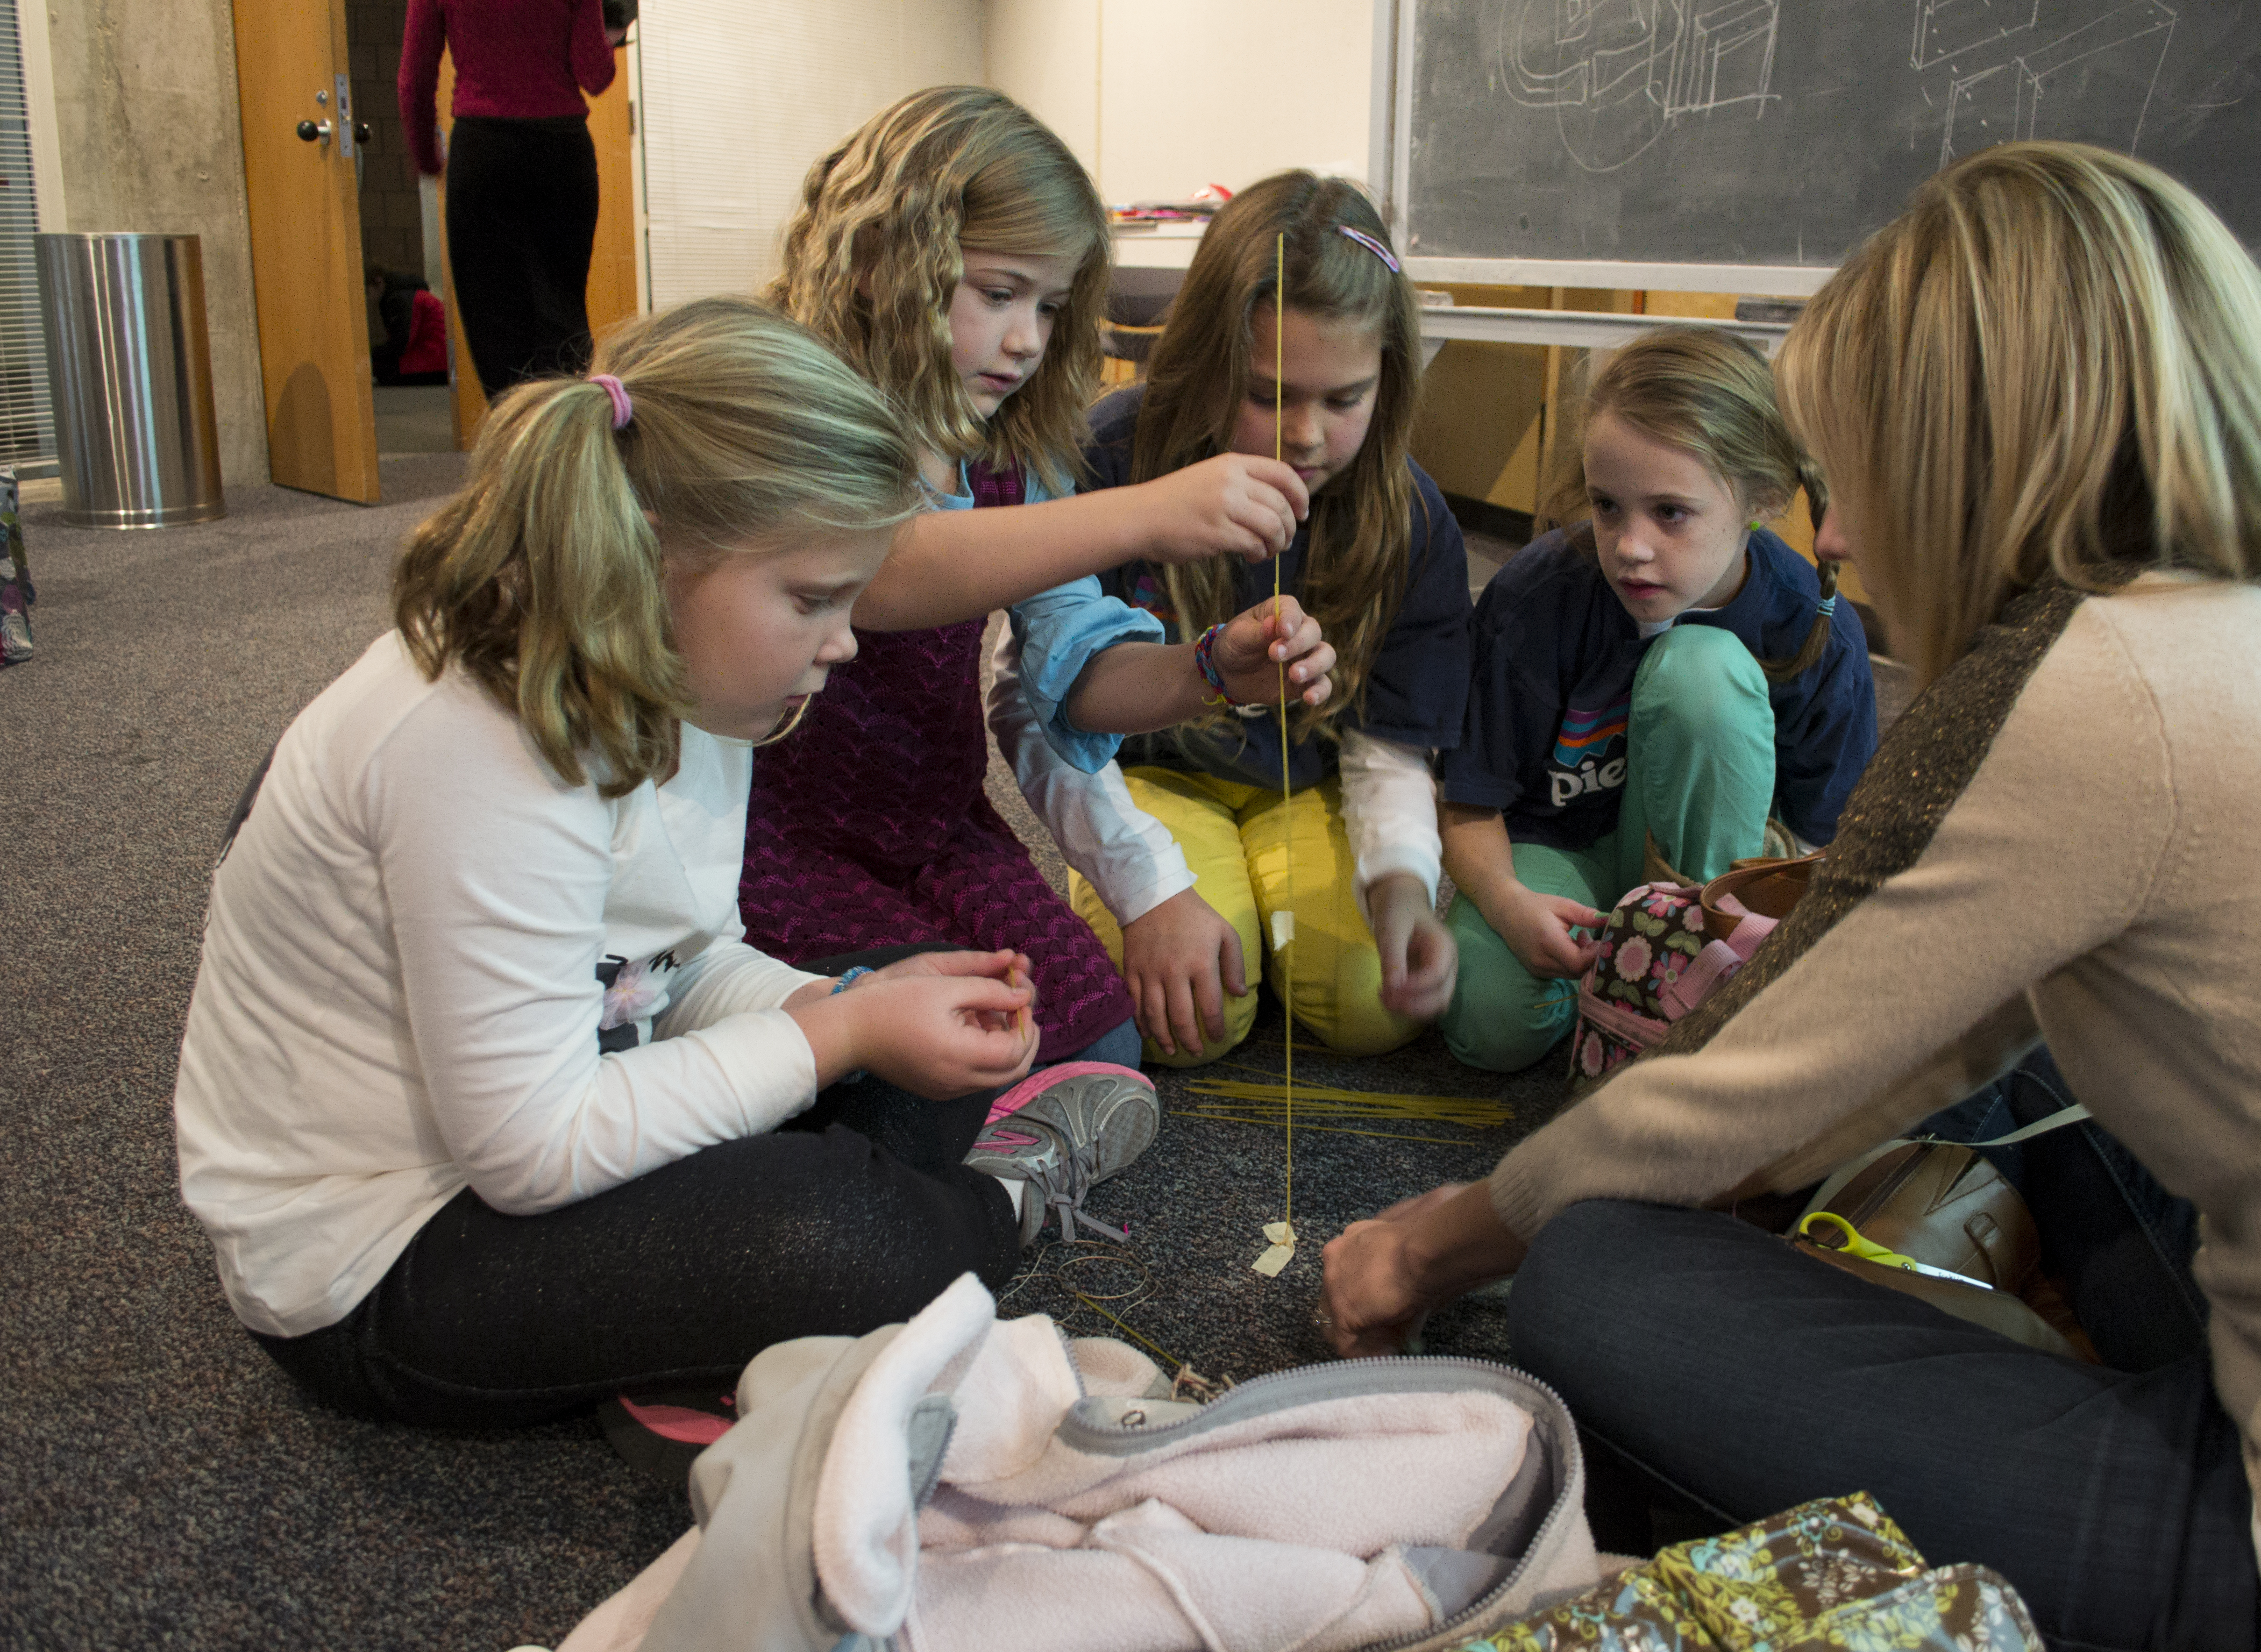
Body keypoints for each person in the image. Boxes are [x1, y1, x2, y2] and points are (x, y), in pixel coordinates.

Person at [1316, 143, 2261, 1652]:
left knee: (1595, 1272)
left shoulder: (2071, 691)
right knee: (2044, 1051)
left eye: (1851, 481)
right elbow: (1916, 1032)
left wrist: (1423, 1244)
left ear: (1974, 462)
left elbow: (1729, 1095)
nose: (1841, 539)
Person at [173, 297, 1140, 1432]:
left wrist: (848, 1004)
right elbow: (529, 1150)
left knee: (901, 990)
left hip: (541, 1121)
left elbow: (670, 965)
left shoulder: (689, 683)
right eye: (813, 600)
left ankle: (698, 1342)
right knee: (855, 1233)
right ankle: (986, 1210)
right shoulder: (480, 744)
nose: (843, 642)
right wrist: (834, 1034)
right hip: (379, 1265)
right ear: (656, 554)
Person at [742, 88, 1335, 1085]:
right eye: (1000, 292)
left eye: (1051, 307)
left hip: (934, 826)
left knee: (1089, 1038)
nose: (1028, 340)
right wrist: (1145, 510)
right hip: (777, 843)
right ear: (892, 259)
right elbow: (881, 573)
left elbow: (1074, 671)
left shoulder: (1009, 451)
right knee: (909, 1057)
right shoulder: (804, 412)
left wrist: (1211, 670)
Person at [1002, 172, 1469, 1065]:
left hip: (1309, 789)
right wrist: (1145, 887)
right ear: (1208, 358)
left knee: (1379, 1004)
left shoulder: (1410, 520)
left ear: (1390, 378)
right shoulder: (1109, 459)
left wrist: (1404, 883)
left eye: (1344, 400)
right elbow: (1040, 699)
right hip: (1149, 780)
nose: (1304, 436)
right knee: (1187, 1022)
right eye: (1267, 394)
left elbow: (1392, 746)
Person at [1436, 326, 1875, 1072]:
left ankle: (1690, 961)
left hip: (1719, 868)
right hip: (1561, 852)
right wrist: (1509, 905)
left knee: (1700, 671)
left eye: (1670, 513)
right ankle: (1628, 975)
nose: (1630, 546)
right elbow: (1468, 800)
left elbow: (1832, 846)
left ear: (1763, 499)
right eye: (1608, 507)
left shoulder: (1813, 624)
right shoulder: (1539, 597)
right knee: (1487, 1019)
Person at [397, 0, 618, 398]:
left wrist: (428, 157)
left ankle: (515, 449)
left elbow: (414, 80)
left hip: (484, 154)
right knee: (561, 314)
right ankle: (570, 446)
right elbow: (596, 75)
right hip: (560, 154)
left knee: (493, 327)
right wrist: (612, 32)